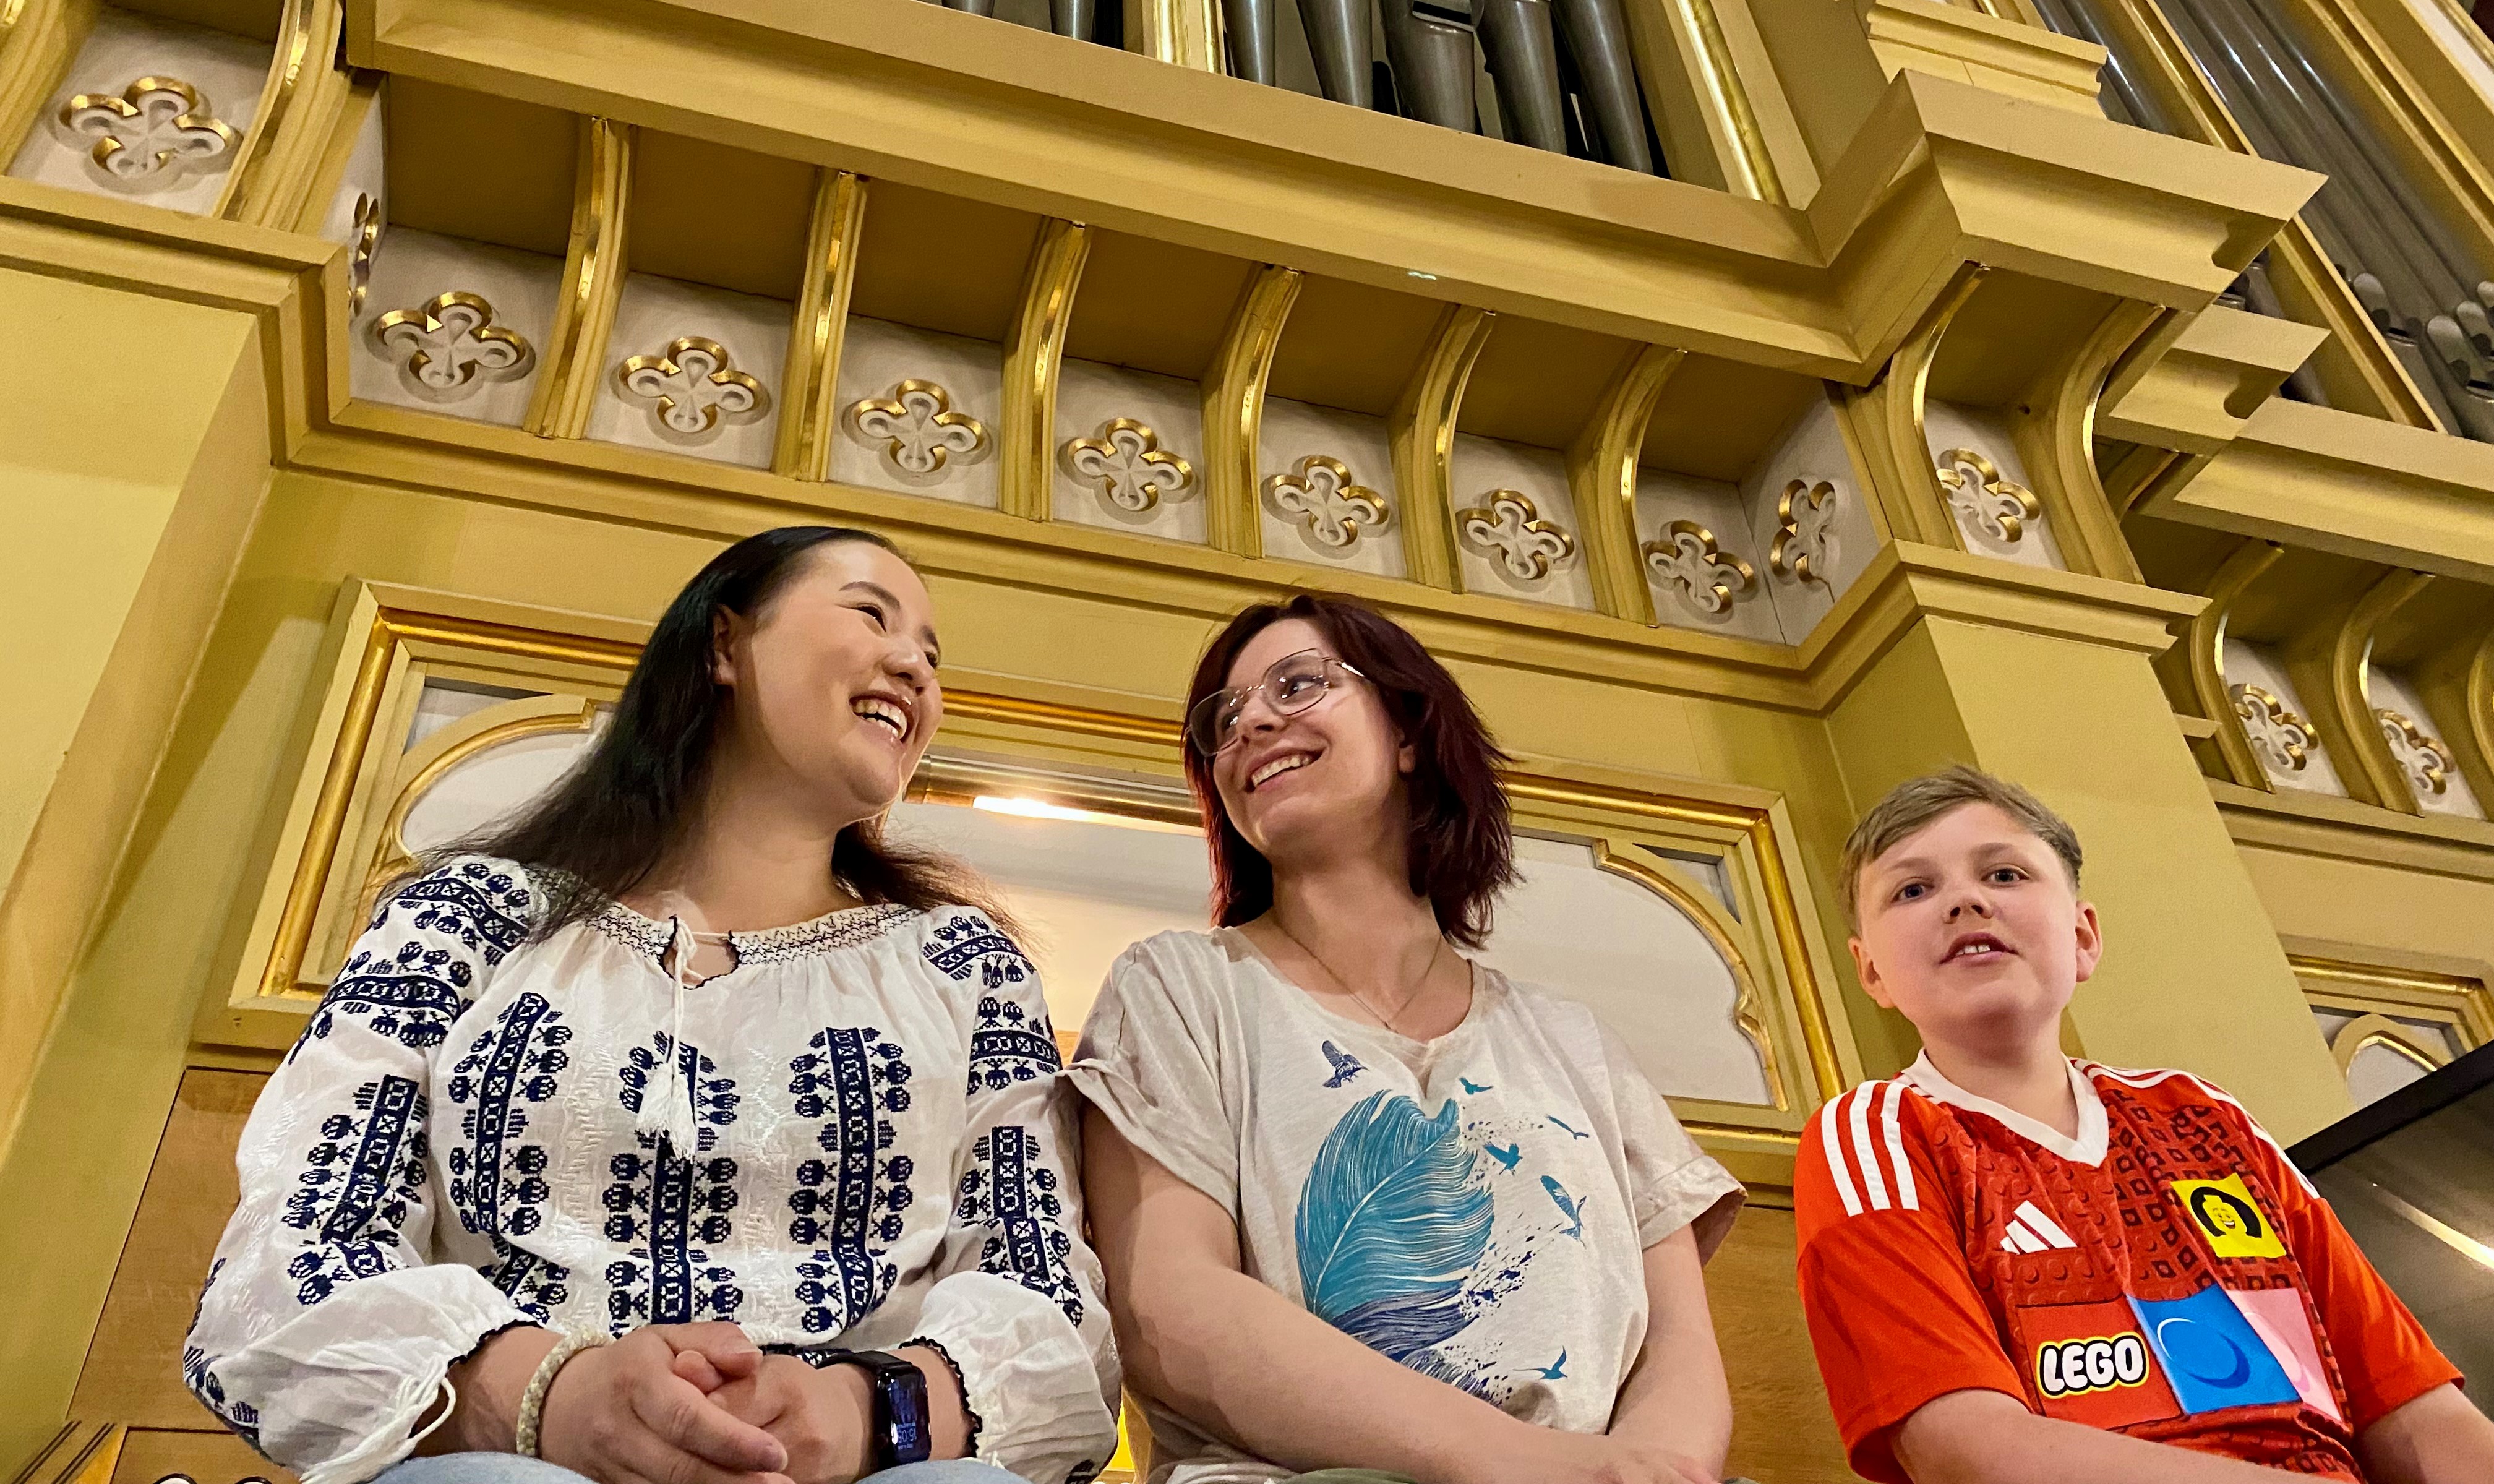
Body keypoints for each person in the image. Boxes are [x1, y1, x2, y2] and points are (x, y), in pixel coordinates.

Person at [186, 526, 1120, 1484]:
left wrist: (868, 1409)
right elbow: (297, 1246)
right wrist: (552, 1394)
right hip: (512, 1458)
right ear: (723, 644)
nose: (914, 668)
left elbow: (1043, 1281)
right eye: (872, 614)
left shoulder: (965, 966)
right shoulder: (463, 922)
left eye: (931, 655)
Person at [1069, 593, 1744, 1484]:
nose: (1254, 722)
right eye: (1223, 720)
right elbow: (1171, 1313)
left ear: (1409, 733)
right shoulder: (1180, 990)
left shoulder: (1572, 1040)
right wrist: (1533, 1468)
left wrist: (1657, 1473)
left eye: (1298, 685)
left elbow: (1677, 1342)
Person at [1794, 765, 2494, 1484]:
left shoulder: (2206, 1118)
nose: (1966, 901)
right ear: (1870, 971)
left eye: (2004, 875)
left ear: (2084, 935)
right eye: (1913, 890)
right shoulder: (1875, 1133)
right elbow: (1969, 1451)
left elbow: (2412, 1407)